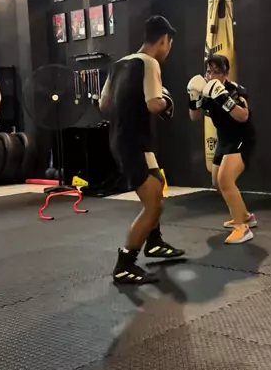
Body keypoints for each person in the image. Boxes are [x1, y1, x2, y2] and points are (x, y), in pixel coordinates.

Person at [100, 15, 185, 285]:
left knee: (158, 187)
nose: (168, 49)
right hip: (132, 143)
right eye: (169, 44)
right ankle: (125, 264)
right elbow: (154, 104)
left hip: (125, 140)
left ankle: (155, 242)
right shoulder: (150, 63)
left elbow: (104, 104)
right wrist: (168, 100)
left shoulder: (118, 65)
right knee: (153, 204)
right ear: (164, 40)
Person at [187, 55, 257, 244]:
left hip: (241, 138)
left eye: (216, 72)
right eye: (209, 71)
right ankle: (246, 216)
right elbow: (194, 116)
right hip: (224, 139)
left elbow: (243, 116)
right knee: (217, 183)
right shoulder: (205, 91)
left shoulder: (235, 90)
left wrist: (223, 98)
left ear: (225, 74)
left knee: (225, 180)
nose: (211, 76)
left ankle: (242, 228)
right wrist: (193, 97)